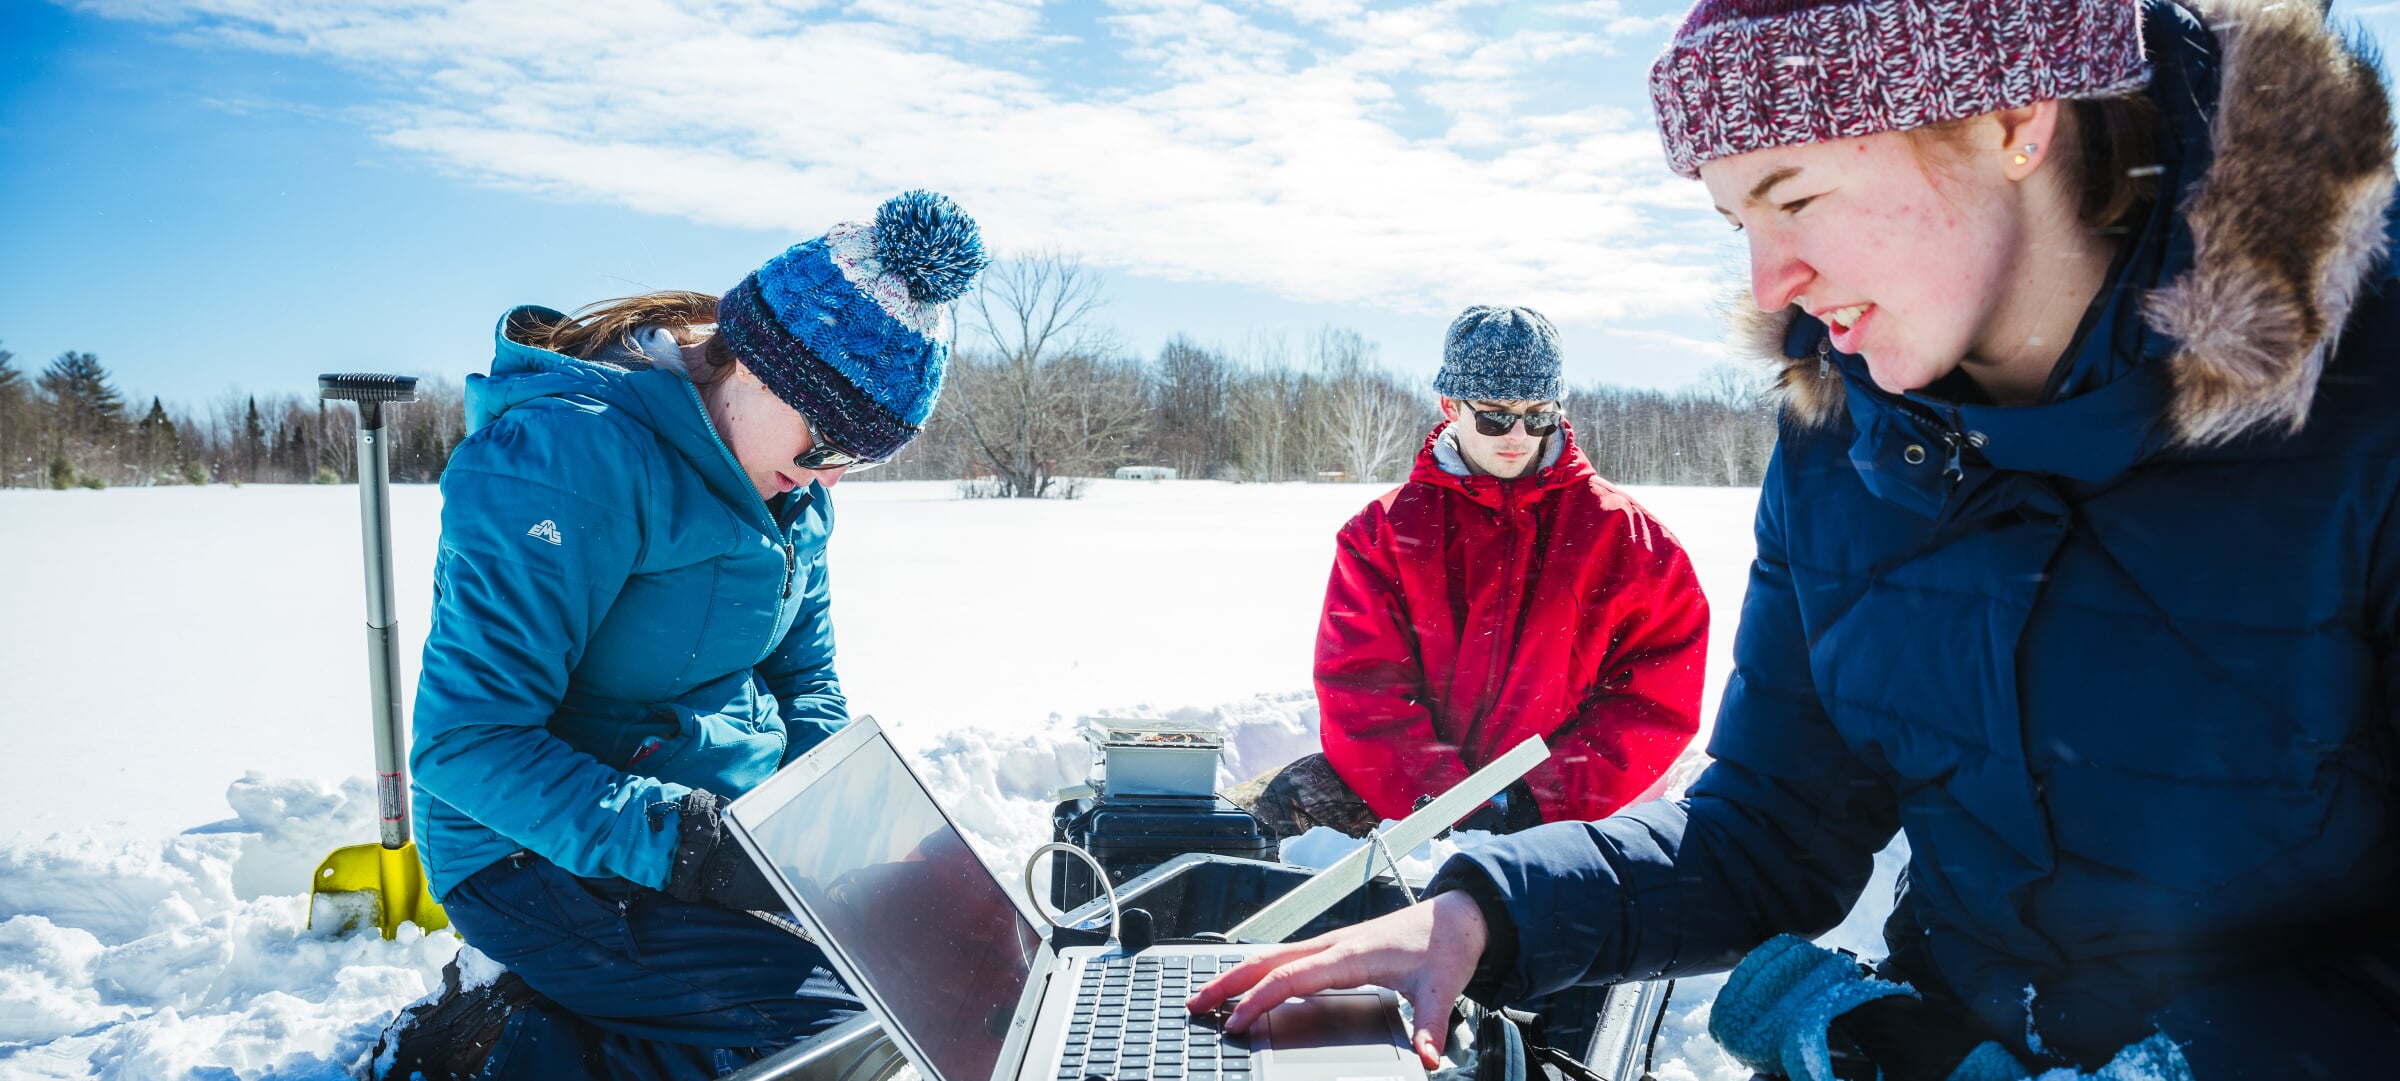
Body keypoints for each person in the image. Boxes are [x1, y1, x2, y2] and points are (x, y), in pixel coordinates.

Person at [1191, 1, 2400, 1077]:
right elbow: (1769, 828)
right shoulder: (1841, 441)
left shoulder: (2373, 401)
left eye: (1797, 193)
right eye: (1735, 224)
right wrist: (1487, 912)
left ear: (2014, 118)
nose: (1772, 284)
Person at [368, 191, 990, 1081]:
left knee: (918, 985)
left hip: (702, 829)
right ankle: (494, 1045)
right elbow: (465, 742)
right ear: (765, 371)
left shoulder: (789, 485)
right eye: (826, 444)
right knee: (832, 1043)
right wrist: (686, 842)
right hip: (528, 852)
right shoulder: (569, 459)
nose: (830, 479)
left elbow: (803, 680)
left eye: (858, 459)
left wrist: (832, 831)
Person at [1255, 305, 1708, 851]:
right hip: (1416, 802)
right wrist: (1449, 806)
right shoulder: (1383, 534)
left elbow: (1654, 698)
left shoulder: (1628, 539)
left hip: (1568, 810)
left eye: (1537, 414)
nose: (1518, 435)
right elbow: (1362, 687)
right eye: (1494, 417)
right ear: (1451, 406)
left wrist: (1535, 799)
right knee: (1274, 812)